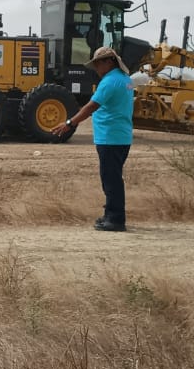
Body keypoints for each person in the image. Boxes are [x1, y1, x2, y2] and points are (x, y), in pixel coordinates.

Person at [51, 46, 135, 231]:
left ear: (109, 62)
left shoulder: (109, 81)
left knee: (110, 180)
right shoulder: (125, 79)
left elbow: (90, 107)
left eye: (98, 64)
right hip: (121, 136)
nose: (96, 68)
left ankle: (115, 220)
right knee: (113, 178)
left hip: (110, 137)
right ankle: (110, 214)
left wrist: (69, 123)